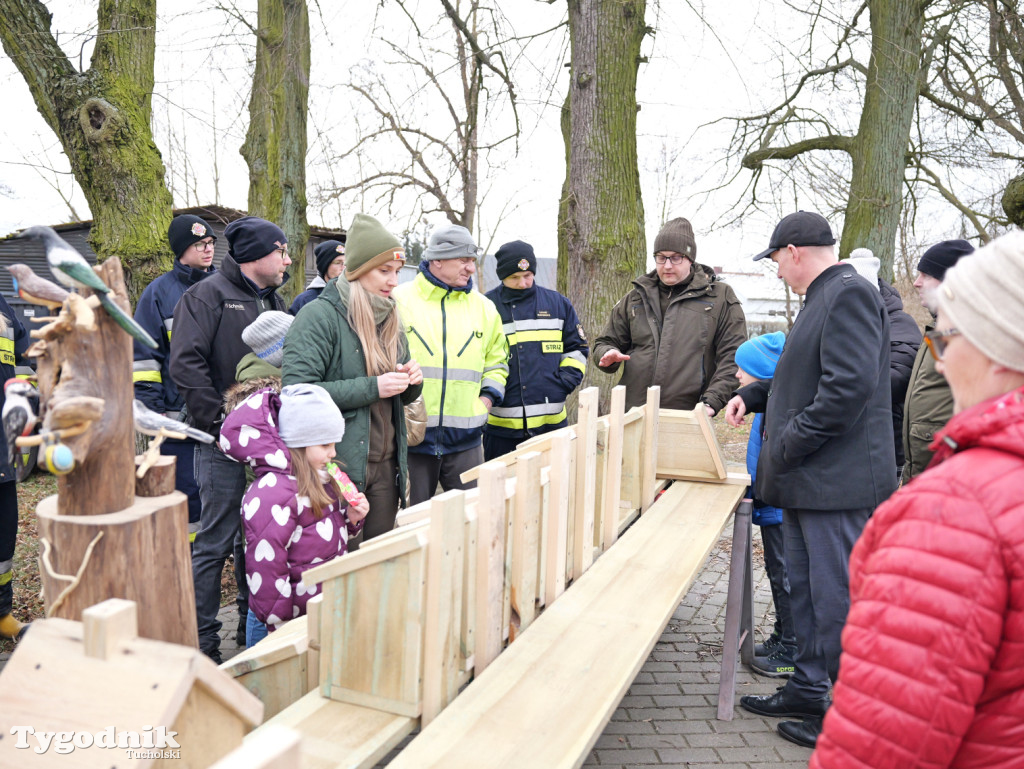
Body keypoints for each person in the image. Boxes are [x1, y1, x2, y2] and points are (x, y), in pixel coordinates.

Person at [811, 231, 1024, 768]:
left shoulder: (954, 512)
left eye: (947, 341)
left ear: (998, 349)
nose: (943, 362)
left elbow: (882, 742)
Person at [725, 211, 896, 749]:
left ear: (794, 250)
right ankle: (807, 686)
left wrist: (787, 441)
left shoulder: (848, 294)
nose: (776, 271)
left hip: (834, 485)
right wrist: (755, 395)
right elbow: (804, 374)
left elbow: (846, 389)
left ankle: (849, 717)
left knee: (837, 598)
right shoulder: (823, 296)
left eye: (775, 260)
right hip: (809, 480)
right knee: (807, 595)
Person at [170, 215, 291, 663]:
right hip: (219, 443)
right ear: (256, 255)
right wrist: (223, 424)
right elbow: (185, 364)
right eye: (280, 252)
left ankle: (249, 628)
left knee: (259, 534)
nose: (287, 260)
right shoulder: (205, 297)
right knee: (216, 539)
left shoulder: (276, 299)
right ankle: (202, 644)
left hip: (269, 444)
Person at [284, 214, 423, 541]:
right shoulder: (318, 317)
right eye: (384, 271)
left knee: (376, 570)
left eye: (397, 273)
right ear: (358, 270)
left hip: (387, 469)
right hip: (336, 468)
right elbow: (296, 394)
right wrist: (373, 387)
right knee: (337, 568)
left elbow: (401, 397)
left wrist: (412, 381)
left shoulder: (389, 315)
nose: (393, 282)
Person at [219, 383, 369, 646]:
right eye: (325, 444)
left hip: (312, 612)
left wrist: (350, 519)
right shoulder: (272, 494)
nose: (333, 453)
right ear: (299, 443)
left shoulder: (320, 478)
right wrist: (281, 627)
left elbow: (317, 531)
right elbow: (266, 570)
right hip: (282, 626)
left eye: (334, 443)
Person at [394, 224, 508, 504]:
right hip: (412, 443)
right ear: (437, 260)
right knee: (410, 528)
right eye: (464, 260)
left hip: (467, 444)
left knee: (472, 526)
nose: (471, 268)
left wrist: (487, 401)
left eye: (472, 261)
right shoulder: (398, 301)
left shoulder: (484, 308)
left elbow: (498, 362)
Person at [593, 217, 747, 415]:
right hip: (633, 415)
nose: (667, 265)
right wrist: (607, 353)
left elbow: (734, 356)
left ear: (690, 258)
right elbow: (604, 342)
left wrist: (711, 401)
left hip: (688, 416)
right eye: (661, 257)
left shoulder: (719, 298)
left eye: (676, 258)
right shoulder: (635, 297)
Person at [133, 214, 217, 546]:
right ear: (181, 250)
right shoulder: (158, 294)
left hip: (219, 413)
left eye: (211, 243)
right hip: (176, 418)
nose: (208, 250)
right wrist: (154, 411)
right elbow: (143, 358)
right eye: (200, 245)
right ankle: (185, 567)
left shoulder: (224, 286)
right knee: (186, 500)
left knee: (217, 495)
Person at [482, 240, 588, 460]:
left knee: (554, 490)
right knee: (501, 493)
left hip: (551, 425)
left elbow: (577, 349)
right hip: (501, 430)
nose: (523, 283)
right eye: (515, 277)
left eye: (528, 275)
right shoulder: (485, 307)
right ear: (502, 276)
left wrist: (562, 384)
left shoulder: (558, 304)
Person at [734, 331, 795, 679]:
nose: (738, 376)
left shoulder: (777, 411)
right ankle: (782, 634)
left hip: (781, 507)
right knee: (777, 573)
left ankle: (793, 649)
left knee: (787, 576)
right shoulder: (763, 409)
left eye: (744, 370)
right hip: (770, 503)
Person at [900, 239, 974, 482]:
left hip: (947, 475)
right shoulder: (941, 328)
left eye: (926, 275)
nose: (916, 282)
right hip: (922, 471)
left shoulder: (967, 332)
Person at [848, 248, 923, 477]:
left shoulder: (900, 324)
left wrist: (840, 381)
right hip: (847, 447)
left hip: (884, 448)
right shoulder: (844, 320)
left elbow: (897, 379)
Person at [0, 297, 29, 641]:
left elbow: (27, 350)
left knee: (4, 532)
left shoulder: (3, 307)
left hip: (2, 444)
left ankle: (1, 613)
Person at [289, 239, 345, 315]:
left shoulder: (356, 296)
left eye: (346, 263)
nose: (343, 267)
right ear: (324, 266)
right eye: (337, 263)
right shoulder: (305, 300)